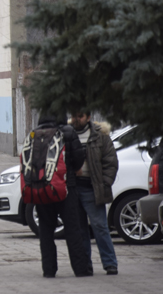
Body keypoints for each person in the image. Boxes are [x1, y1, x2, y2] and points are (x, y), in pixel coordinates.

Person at [33, 112, 93, 278]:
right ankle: (81, 270)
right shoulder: (68, 132)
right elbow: (79, 158)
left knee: (45, 231)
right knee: (73, 230)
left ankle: (49, 270)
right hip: (66, 187)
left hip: (43, 188)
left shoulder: (35, 133)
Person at [72, 111, 119, 275]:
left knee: (100, 226)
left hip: (92, 188)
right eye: (74, 115)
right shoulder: (67, 133)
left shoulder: (99, 135)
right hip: (73, 189)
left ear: (88, 117)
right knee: (80, 229)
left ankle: (110, 263)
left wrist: (104, 183)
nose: (77, 119)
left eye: (80, 116)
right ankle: (85, 265)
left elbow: (111, 161)